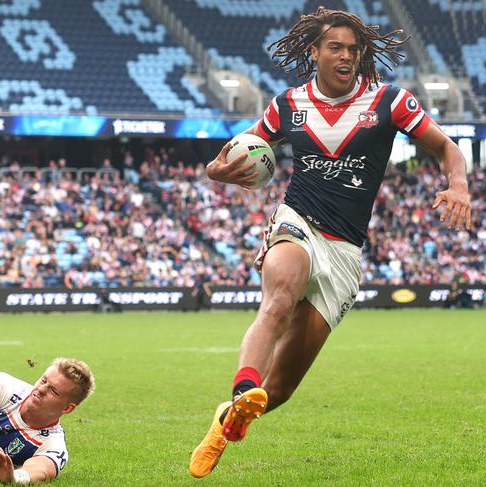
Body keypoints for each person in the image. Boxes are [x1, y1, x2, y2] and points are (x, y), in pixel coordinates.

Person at [189, 7, 471, 478]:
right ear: (315, 52)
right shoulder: (288, 105)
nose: (345, 55)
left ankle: (228, 419)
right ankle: (241, 392)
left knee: (278, 391)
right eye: (335, 47)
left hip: (345, 251)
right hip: (298, 220)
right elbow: (239, 152)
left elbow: (446, 147)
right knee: (278, 296)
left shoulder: (389, 101)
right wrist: (216, 171)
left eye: (353, 49)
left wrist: (458, 184)